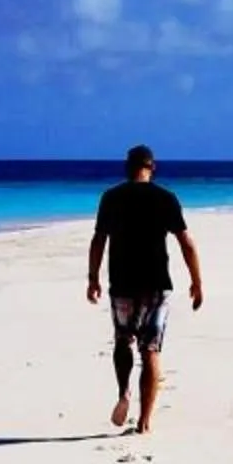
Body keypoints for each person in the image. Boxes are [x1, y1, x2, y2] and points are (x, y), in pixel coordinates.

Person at [86, 144, 202, 434]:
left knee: (123, 340)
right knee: (150, 350)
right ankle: (144, 421)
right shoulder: (166, 198)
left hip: (122, 284)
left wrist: (93, 278)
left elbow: (98, 240)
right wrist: (197, 282)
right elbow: (186, 243)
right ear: (153, 167)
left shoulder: (111, 197)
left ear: (127, 167)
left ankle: (124, 392)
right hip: (156, 285)